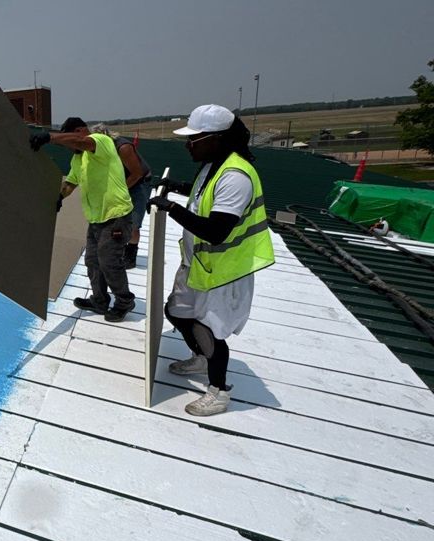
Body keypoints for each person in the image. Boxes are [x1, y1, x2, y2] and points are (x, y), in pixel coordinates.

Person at [147, 104, 275, 416]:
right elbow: (204, 194)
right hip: (201, 266)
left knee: (211, 332)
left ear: (216, 138)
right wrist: (177, 188)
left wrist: (172, 209)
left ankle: (218, 391)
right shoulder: (214, 164)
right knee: (176, 312)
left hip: (224, 273)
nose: (188, 144)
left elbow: (217, 231)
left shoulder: (236, 176)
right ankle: (202, 358)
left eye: (194, 139)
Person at [30, 117, 136, 322]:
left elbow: (81, 142)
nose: (70, 148)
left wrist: (50, 137)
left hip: (116, 216)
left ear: (80, 131)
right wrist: (59, 197)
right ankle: (100, 300)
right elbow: (70, 183)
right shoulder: (79, 159)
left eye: (70, 142)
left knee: (109, 262)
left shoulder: (101, 141)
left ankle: (124, 301)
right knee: (93, 261)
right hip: (97, 219)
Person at [95, 126, 152, 269]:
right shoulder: (104, 149)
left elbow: (137, 174)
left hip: (138, 185)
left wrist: (118, 191)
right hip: (124, 184)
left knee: (134, 223)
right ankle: (119, 251)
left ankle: (131, 257)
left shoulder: (123, 147)